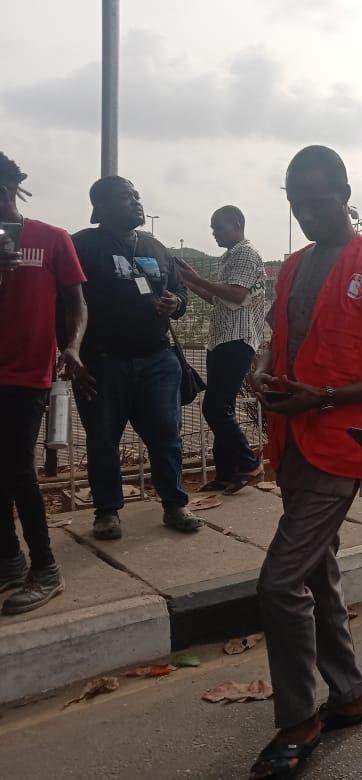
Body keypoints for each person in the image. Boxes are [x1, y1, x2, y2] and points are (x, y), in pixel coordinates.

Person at [247, 145, 362, 780]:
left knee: (279, 583)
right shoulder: (291, 268)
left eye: (318, 200)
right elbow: (277, 341)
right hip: (292, 444)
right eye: (296, 203)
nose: (308, 212)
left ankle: (298, 719)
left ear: (345, 192)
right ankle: (348, 694)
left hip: (343, 446)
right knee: (315, 570)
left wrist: (324, 397)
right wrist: (261, 372)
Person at [71, 177, 201, 540]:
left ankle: (175, 505)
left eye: (136, 196)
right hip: (102, 362)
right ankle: (107, 512)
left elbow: (180, 294)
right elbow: (65, 304)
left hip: (158, 361)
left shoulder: (156, 247)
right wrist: (72, 355)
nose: (136, 202)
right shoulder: (80, 246)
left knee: (166, 437)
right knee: (103, 440)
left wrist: (176, 303)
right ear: (100, 207)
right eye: (126, 197)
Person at [0, 153, 87, 614]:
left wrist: (71, 346)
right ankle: (9, 559)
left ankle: (46, 566)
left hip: (27, 374)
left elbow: (77, 303)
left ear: (10, 188)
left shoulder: (53, 239)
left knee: (16, 466)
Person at [176, 206, 265, 494]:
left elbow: (237, 294)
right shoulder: (230, 257)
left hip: (237, 339)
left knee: (215, 408)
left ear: (237, 224)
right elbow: (216, 297)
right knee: (220, 408)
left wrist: (198, 280)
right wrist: (190, 279)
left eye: (218, 227)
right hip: (221, 339)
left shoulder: (245, 253)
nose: (214, 233)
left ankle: (250, 464)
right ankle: (226, 474)